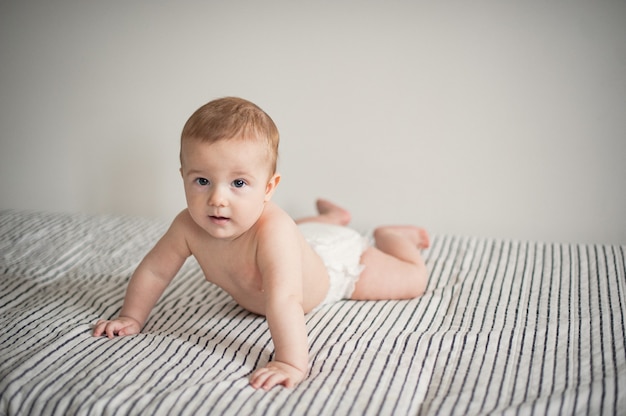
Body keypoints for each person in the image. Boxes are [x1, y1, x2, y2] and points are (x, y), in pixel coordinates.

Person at [93, 97, 430, 390]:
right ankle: (330, 218)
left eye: (238, 182)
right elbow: (154, 271)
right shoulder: (187, 226)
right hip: (304, 241)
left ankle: (393, 237)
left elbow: (285, 298)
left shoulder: (274, 230)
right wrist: (131, 317)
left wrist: (290, 362)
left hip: (333, 268)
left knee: (414, 280)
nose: (217, 199)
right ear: (183, 176)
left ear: (268, 188)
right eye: (202, 181)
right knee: (296, 232)